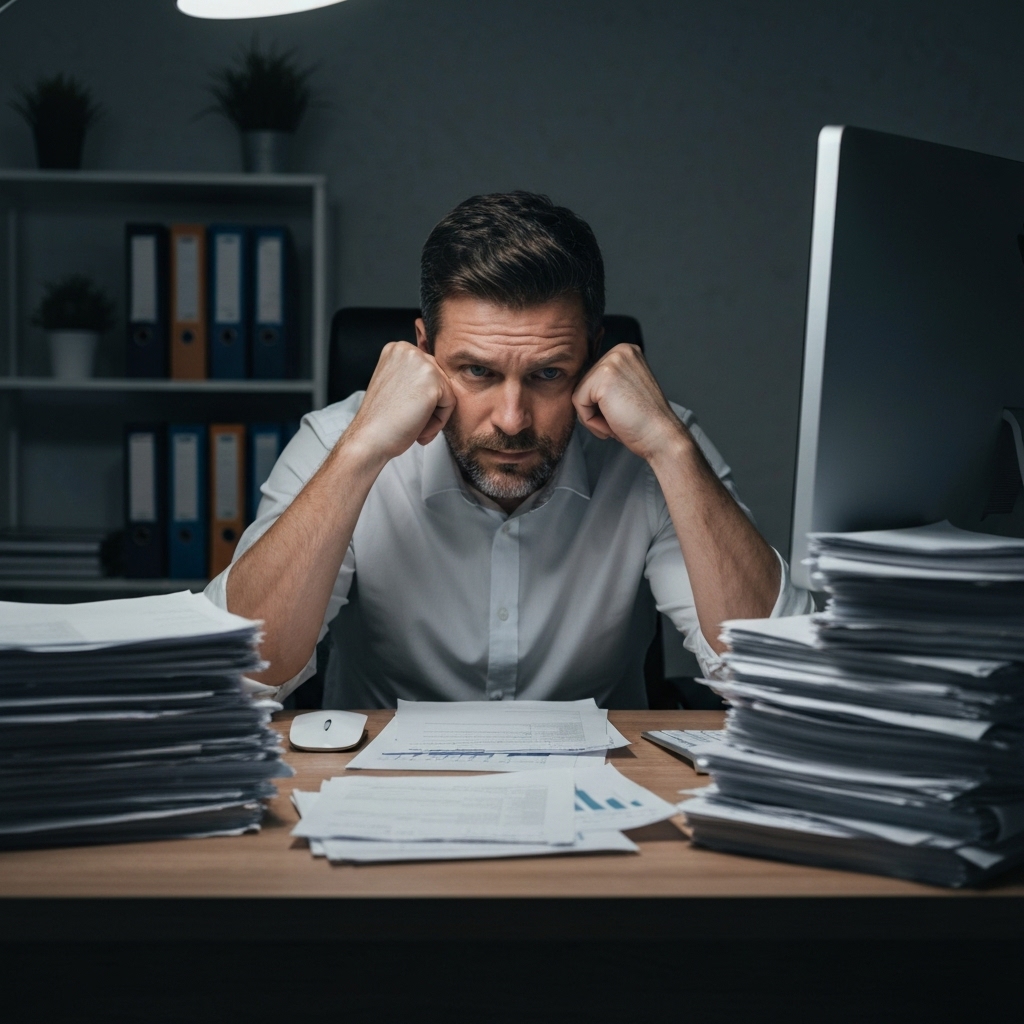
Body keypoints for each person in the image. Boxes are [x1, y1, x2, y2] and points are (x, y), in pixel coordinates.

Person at [206, 191, 811, 706]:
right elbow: (239, 674)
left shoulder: (659, 443)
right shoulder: (340, 439)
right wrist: (361, 449)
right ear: (423, 350)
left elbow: (781, 680)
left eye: (548, 374)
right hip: (374, 789)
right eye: (476, 372)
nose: (513, 419)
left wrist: (672, 451)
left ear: (594, 356)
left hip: (607, 795)